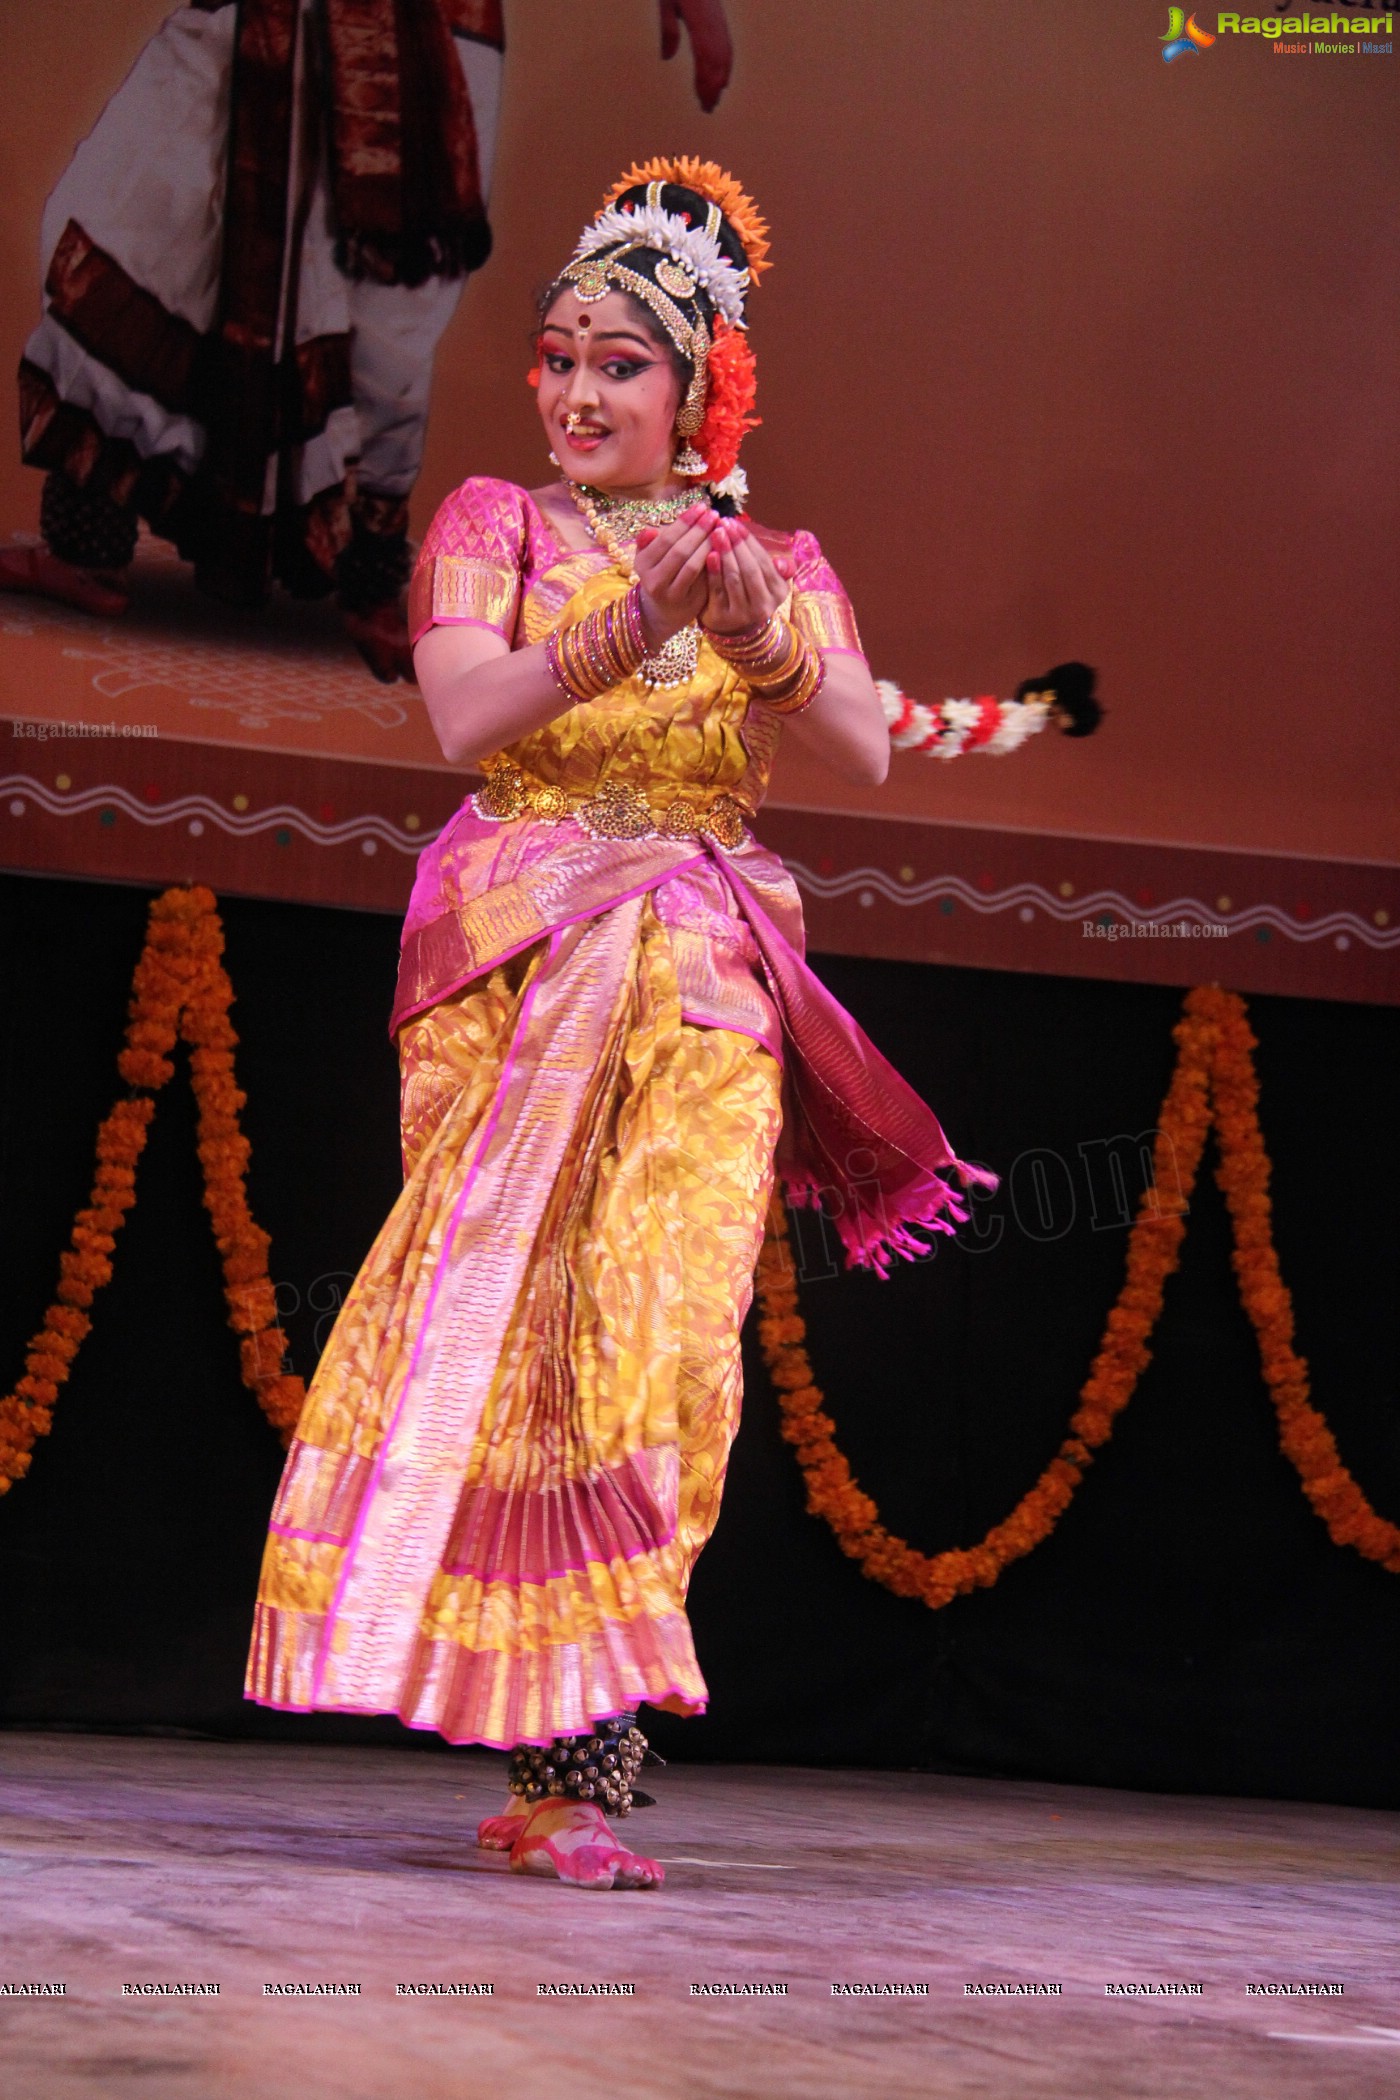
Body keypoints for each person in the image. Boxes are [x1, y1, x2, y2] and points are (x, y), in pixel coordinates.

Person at [245, 158, 996, 1891]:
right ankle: (536, 1748)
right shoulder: (490, 527)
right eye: (562, 359)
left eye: (623, 365)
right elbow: (460, 716)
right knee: (518, 1333)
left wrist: (760, 639)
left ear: (700, 387)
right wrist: (635, 622)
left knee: (662, 1338)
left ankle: (590, 1764)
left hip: (707, 963)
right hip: (518, 950)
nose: (581, 393)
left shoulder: (776, 558)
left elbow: (866, 747)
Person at [0, 0, 735, 682]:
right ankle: (86, 546)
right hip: (259, 19)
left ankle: (371, 586)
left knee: (388, 310)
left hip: (420, 40)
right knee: (132, 234)